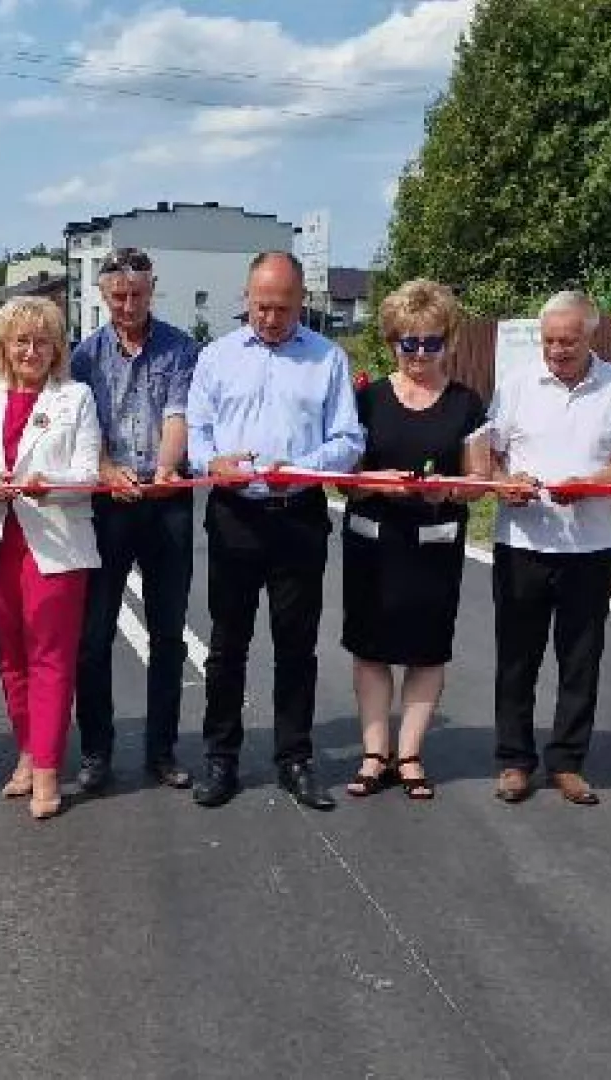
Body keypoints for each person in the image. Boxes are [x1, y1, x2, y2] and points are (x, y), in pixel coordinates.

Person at [185, 251, 365, 810]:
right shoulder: (215, 357)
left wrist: (309, 466)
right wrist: (211, 462)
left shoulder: (328, 359)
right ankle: (221, 759)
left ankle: (295, 758)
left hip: (299, 516)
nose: (270, 318)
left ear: (301, 302)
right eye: (262, 306)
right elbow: (197, 430)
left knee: (296, 646)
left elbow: (349, 439)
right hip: (236, 513)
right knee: (227, 644)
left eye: (283, 309)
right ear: (247, 297)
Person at [477, 290, 611, 807]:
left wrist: (593, 483)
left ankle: (568, 762)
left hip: (589, 546)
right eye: (549, 340)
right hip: (523, 541)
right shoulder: (518, 384)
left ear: (591, 335)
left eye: (568, 341)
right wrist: (507, 481)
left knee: (580, 659)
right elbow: (489, 452)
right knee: (516, 658)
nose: (557, 350)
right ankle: (514, 761)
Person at [339, 279, 486, 802]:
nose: (420, 354)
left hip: (434, 542)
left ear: (448, 341)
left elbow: (479, 480)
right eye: (408, 343)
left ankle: (410, 753)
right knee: (371, 648)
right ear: (391, 342)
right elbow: (343, 477)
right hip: (372, 541)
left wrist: (450, 489)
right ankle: (374, 752)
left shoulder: (467, 404)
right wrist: (377, 481)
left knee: (426, 651)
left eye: (431, 343)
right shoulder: (367, 399)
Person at [0, 297, 101, 820]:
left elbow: (88, 472)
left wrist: (50, 486)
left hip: (55, 544)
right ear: (2, 345)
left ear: (57, 347)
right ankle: (26, 750)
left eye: (42, 341)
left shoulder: (77, 397)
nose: (31, 350)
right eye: (21, 340)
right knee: (10, 657)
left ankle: (46, 768)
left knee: (50, 657)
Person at [70, 248, 198, 793]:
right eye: (118, 296)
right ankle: (96, 752)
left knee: (169, 633)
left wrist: (167, 468)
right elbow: (81, 426)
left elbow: (178, 414)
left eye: (137, 294)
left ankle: (162, 751)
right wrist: (105, 470)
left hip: (165, 500)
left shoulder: (180, 348)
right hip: (106, 503)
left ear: (152, 290)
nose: (127, 305)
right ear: (103, 295)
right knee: (93, 635)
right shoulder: (83, 358)